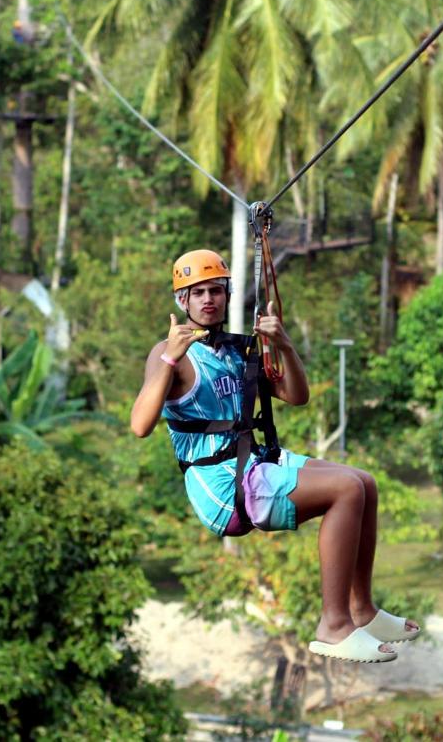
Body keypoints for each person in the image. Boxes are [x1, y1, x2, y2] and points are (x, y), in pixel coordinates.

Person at [130, 249, 419, 663]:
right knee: (346, 491)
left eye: (216, 291)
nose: (208, 300)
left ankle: (362, 610)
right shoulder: (169, 354)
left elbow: (296, 396)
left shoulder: (236, 351)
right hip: (222, 486)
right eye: (198, 293)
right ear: (182, 301)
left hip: (256, 463)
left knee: (364, 482)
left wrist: (283, 345)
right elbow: (140, 425)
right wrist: (168, 358)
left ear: (227, 295)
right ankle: (333, 626)